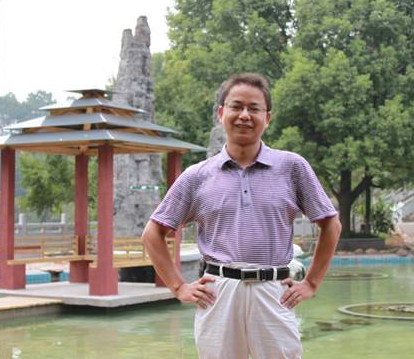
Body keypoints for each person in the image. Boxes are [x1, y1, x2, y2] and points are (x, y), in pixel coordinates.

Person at [142, 72, 341, 359]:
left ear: (267, 118)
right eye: (236, 107)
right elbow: (152, 234)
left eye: (254, 108)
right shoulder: (197, 176)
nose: (244, 115)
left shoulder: (292, 167)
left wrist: (311, 283)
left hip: (273, 291)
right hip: (218, 293)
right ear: (221, 113)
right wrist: (178, 286)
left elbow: (331, 224)